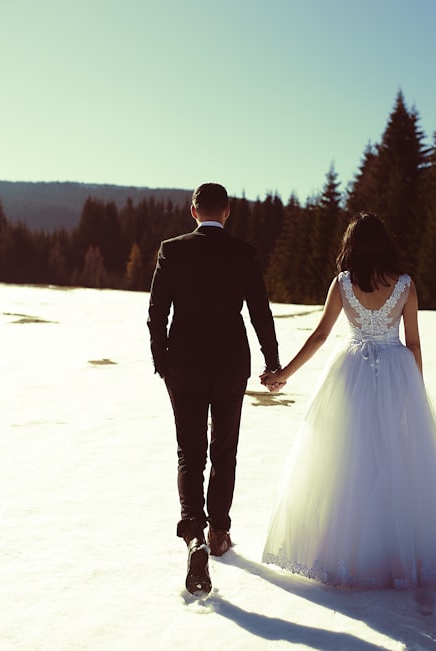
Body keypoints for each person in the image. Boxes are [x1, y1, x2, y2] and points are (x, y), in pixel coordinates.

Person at [261, 212, 436, 589]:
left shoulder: (343, 284)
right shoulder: (406, 286)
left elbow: (319, 336)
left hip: (351, 374)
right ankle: (397, 553)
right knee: (396, 459)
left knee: (349, 459)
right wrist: (415, 395)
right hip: (397, 373)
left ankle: (348, 554)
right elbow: (413, 344)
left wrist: (283, 374)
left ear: (352, 245)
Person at [147, 182, 281, 596]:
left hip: (184, 364)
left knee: (190, 452)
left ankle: (194, 534)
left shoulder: (172, 249)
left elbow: (156, 312)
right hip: (229, 365)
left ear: (193, 211)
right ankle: (219, 532)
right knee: (224, 451)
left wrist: (162, 361)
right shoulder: (243, 254)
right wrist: (271, 360)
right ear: (227, 212)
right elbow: (260, 311)